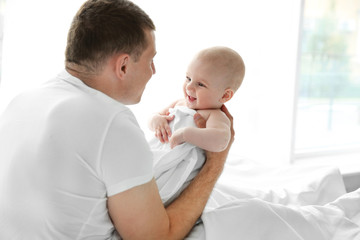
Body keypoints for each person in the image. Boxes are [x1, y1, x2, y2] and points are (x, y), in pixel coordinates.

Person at [0, 0, 234, 239]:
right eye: (149, 60)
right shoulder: (112, 123)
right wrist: (215, 164)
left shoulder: (21, 101)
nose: (153, 71)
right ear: (123, 66)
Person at [148, 46, 245, 205]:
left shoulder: (214, 115)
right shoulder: (179, 103)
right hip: (157, 154)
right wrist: (157, 120)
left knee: (161, 192)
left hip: (178, 169)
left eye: (200, 84)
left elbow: (221, 140)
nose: (189, 87)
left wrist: (187, 134)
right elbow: (153, 118)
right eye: (188, 78)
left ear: (225, 95)